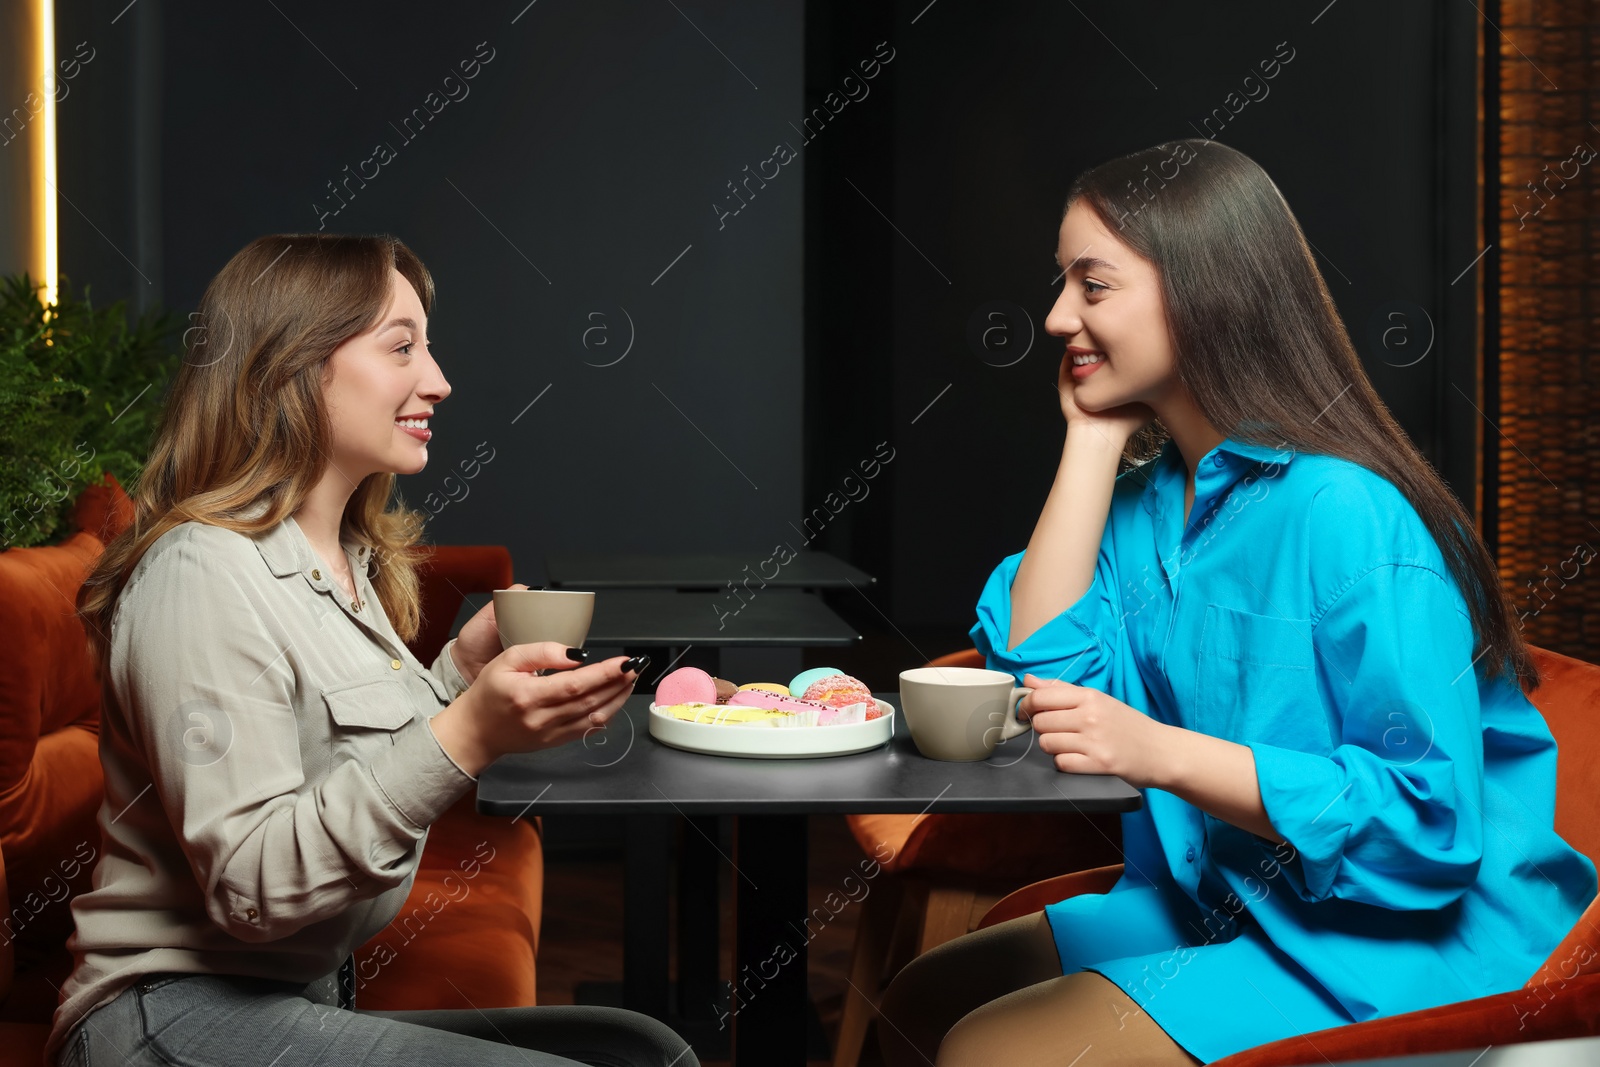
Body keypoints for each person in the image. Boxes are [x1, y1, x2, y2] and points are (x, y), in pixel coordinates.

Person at [877, 139, 1597, 1065]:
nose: (1057, 316)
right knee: (918, 998)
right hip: (1220, 901)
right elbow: (1040, 680)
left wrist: (1159, 751)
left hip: (1394, 949)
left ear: (1200, 289)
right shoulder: (1142, 508)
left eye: (1091, 286)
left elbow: (1433, 822)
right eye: (1061, 284)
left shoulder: (1348, 513)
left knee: (993, 1048)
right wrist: (1091, 446)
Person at [51, 234, 698, 1067]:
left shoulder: (344, 564)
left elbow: (347, 765)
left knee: (643, 1051)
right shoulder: (199, 574)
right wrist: (470, 729)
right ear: (294, 363)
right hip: (165, 1019)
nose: (438, 379)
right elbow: (253, 888)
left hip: (295, 1002)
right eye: (403, 347)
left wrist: (458, 674)